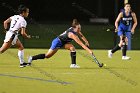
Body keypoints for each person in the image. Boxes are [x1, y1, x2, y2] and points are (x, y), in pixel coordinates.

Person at [28, 19, 93, 68]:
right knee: (47, 56)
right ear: (74, 28)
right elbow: (81, 44)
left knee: (72, 48)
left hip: (64, 42)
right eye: (78, 28)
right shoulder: (72, 34)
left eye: (80, 28)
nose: (79, 29)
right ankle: (31, 58)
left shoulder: (76, 30)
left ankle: (73, 64)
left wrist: (86, 41)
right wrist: (89, 51)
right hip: (58, 42)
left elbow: (81, 35)